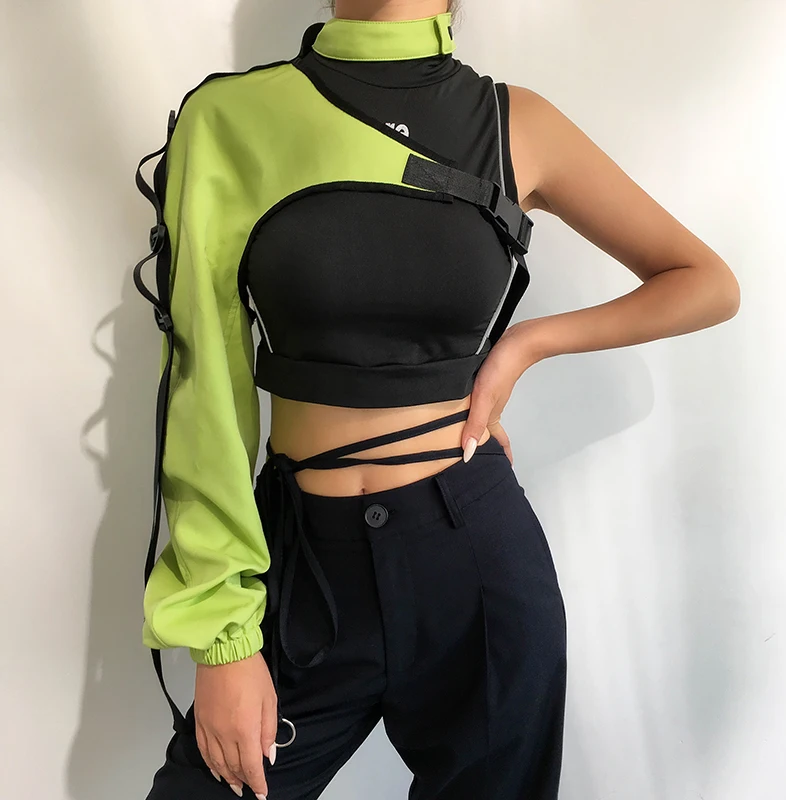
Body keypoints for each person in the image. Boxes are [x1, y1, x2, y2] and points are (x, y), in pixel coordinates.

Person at [134, 1, 740, 798]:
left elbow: (705, 282)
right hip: (302, 572)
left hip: (475, 559)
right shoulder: (230, 118)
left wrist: (523, 346)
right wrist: (223, 641)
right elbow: (203, 388)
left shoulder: (515, 123)